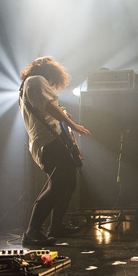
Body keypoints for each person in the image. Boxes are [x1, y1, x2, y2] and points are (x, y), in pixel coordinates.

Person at [19, 56, 91, 246]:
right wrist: (73, 124)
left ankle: (56, 227)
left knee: (68, 184)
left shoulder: (28, 84)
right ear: (50, 73)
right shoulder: (36, 80)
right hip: (50, 142)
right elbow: (50, 107)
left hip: (49, 142)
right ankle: (31, 231)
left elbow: (46, 110)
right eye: (53, 81)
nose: (52, 85)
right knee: (58, 185)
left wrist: (63, 116)